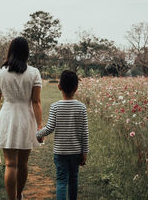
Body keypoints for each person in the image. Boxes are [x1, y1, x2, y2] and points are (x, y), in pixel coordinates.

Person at [0, 37, 43, 200]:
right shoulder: (34, 72)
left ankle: (13, 198)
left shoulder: (0, 72)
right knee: (23, 163)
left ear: (10, 51)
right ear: (27, 53)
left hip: (7, 117)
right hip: (26, 117)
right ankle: (19, 195)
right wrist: (40, 126)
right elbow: (36, 101)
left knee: (10, 164)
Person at [36, 70, 89, 200]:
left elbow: (49, 128)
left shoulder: (55, 107)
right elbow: (84, 132)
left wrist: (38, 134)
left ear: (59, 86)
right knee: (73, 179)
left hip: (60, 152)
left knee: (61, 181)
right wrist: (85, 152)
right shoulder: (81, 107)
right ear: (76, 88)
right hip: (76, 152)